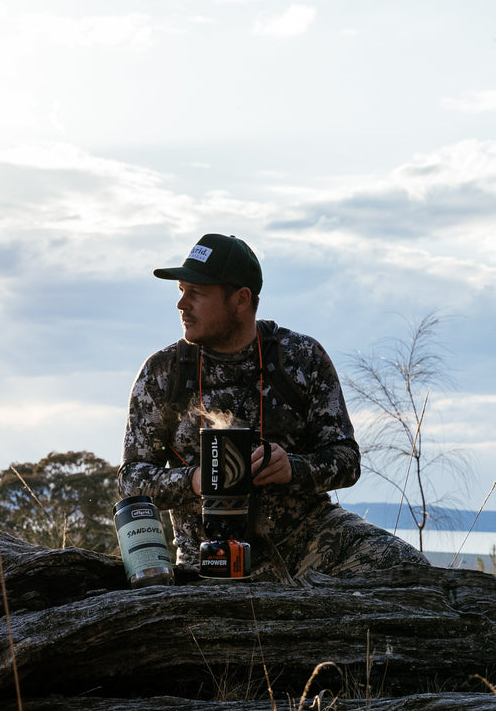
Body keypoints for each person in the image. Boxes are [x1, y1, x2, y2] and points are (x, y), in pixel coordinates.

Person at [118, 233, 429, 582]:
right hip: (209, 557)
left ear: (241, 299)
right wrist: (194, 479)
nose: (182, 304)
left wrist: (293, 468)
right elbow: (131, 481)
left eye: (197, 294)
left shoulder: (301, 358)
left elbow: (347, 461)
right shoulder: (164, 373)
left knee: (408, 570)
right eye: (181, 291)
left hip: (308, 542)